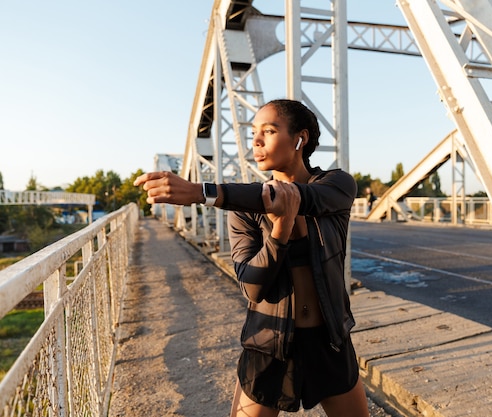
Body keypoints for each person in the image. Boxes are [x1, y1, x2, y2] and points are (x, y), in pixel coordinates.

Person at [134, 99, 370, 417]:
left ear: (299, 139)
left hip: (328, 342)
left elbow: (298, 197)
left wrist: (199, 192)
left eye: (269, 131)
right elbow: (252, 288)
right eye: (253, 133)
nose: (256, 142)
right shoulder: (245, 209)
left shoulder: (336, 186)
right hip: (269, 344)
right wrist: (280, 231)